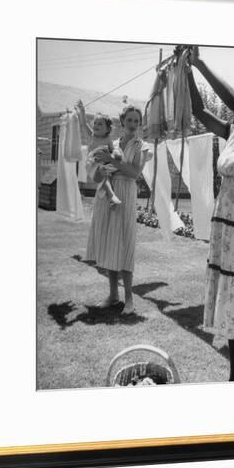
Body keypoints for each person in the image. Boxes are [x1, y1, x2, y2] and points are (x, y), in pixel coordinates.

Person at [187, 46, 234, 381]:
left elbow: (231, 102)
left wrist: (201, 62)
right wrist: (186, 70)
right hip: (227, 230)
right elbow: (199, 110)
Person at [85, 104, 151, 314]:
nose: (133, 124)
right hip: (108, 193)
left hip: (127, 192)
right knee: (110, 243)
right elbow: (96, 175)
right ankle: (113, 295)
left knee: (125, 243)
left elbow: (133, 173)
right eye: (129, 120)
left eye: (136, 121)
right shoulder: (110, 143)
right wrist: (99, 167)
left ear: (140, 124)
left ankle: (129, 300)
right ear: (122, 122)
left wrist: (111, 160)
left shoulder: (142, 146)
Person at [75, 100, 122, 209]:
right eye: (95, 123)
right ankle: (111, 196)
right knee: (104, 175)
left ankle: (111, 199)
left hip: (103, 164)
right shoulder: (92, 136)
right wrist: (82, 111)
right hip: (92, 164)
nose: (96, 125)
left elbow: (113, 149)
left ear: (107, 129)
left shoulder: (108, 139)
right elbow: (83, 123)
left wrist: (116, 153)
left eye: (100, 124)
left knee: (107, 178)